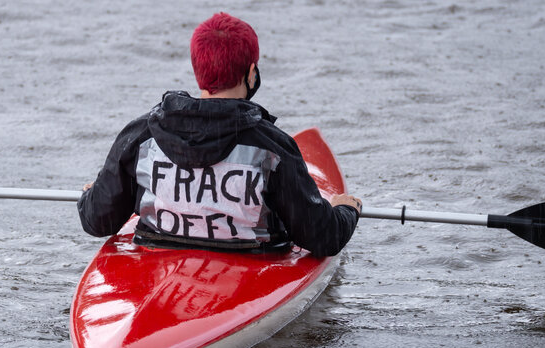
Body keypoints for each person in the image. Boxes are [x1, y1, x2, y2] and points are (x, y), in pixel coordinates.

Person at [78, 12, 362, 257]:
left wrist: (90, 196)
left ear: (198, 69)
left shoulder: (140, 135)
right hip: (254, 258)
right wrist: (345, 211)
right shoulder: (273, 146)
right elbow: (322, 238)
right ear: (252, 74)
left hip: (158, 248)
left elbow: (98, 222)